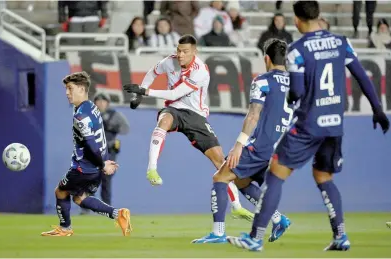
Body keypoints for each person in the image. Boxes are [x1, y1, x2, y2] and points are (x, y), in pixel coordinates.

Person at [227, 1, 389, 252]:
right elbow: (360, 75)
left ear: (297, 20)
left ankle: (255, 237)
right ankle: (341, 236)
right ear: (319, 15)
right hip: (334, 125)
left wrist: (292, 98)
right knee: (324, 176)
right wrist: (378, 109)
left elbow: (298, 91)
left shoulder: (298, 50)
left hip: (308, 125)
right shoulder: (341, 43)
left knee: (276, 173)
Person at [123, 34, 254, 221]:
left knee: (220, 161)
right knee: (164, 120)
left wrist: (145, 91)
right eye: (178, 50)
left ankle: (237, 207)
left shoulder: (201, 71)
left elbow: (176, 92)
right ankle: (152, 168)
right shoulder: (170, 61)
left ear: (194, 52)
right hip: (174, 109)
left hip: (196, 116)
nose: (180, 55)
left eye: (185, 51)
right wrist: (139, 94)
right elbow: (153, 72)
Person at [191, 38, 292, 244]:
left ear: (266, 58)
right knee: (241, 180)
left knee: (220, 177)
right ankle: (278, 219)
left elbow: (253, 115)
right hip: (280, 148)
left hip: (259, 146)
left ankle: (218, 233)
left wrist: (239, 144)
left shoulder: (263, 80)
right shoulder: (296, 83)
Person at [41, 72, 132, 237]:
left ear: (82, 89)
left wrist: (103, 164)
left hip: (84, 167)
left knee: (60, 192)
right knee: (79, 198)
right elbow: (100, 138)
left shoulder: (81, 115)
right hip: (95, 166)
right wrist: (104, 161)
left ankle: (65, 229)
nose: (67, 93)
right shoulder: (91, 107)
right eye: (66, 89)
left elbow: (91, 143)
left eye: (70, 88)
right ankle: (118, 214)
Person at [81, 92, 130, 215]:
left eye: (104, 101)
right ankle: (86, 208)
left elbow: (125, 128)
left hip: (109, 152)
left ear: (107, 103)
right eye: (98, 101)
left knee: (106, 180)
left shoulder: (114, 115)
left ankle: (107, 209)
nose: (101, 103)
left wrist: (111, 127)